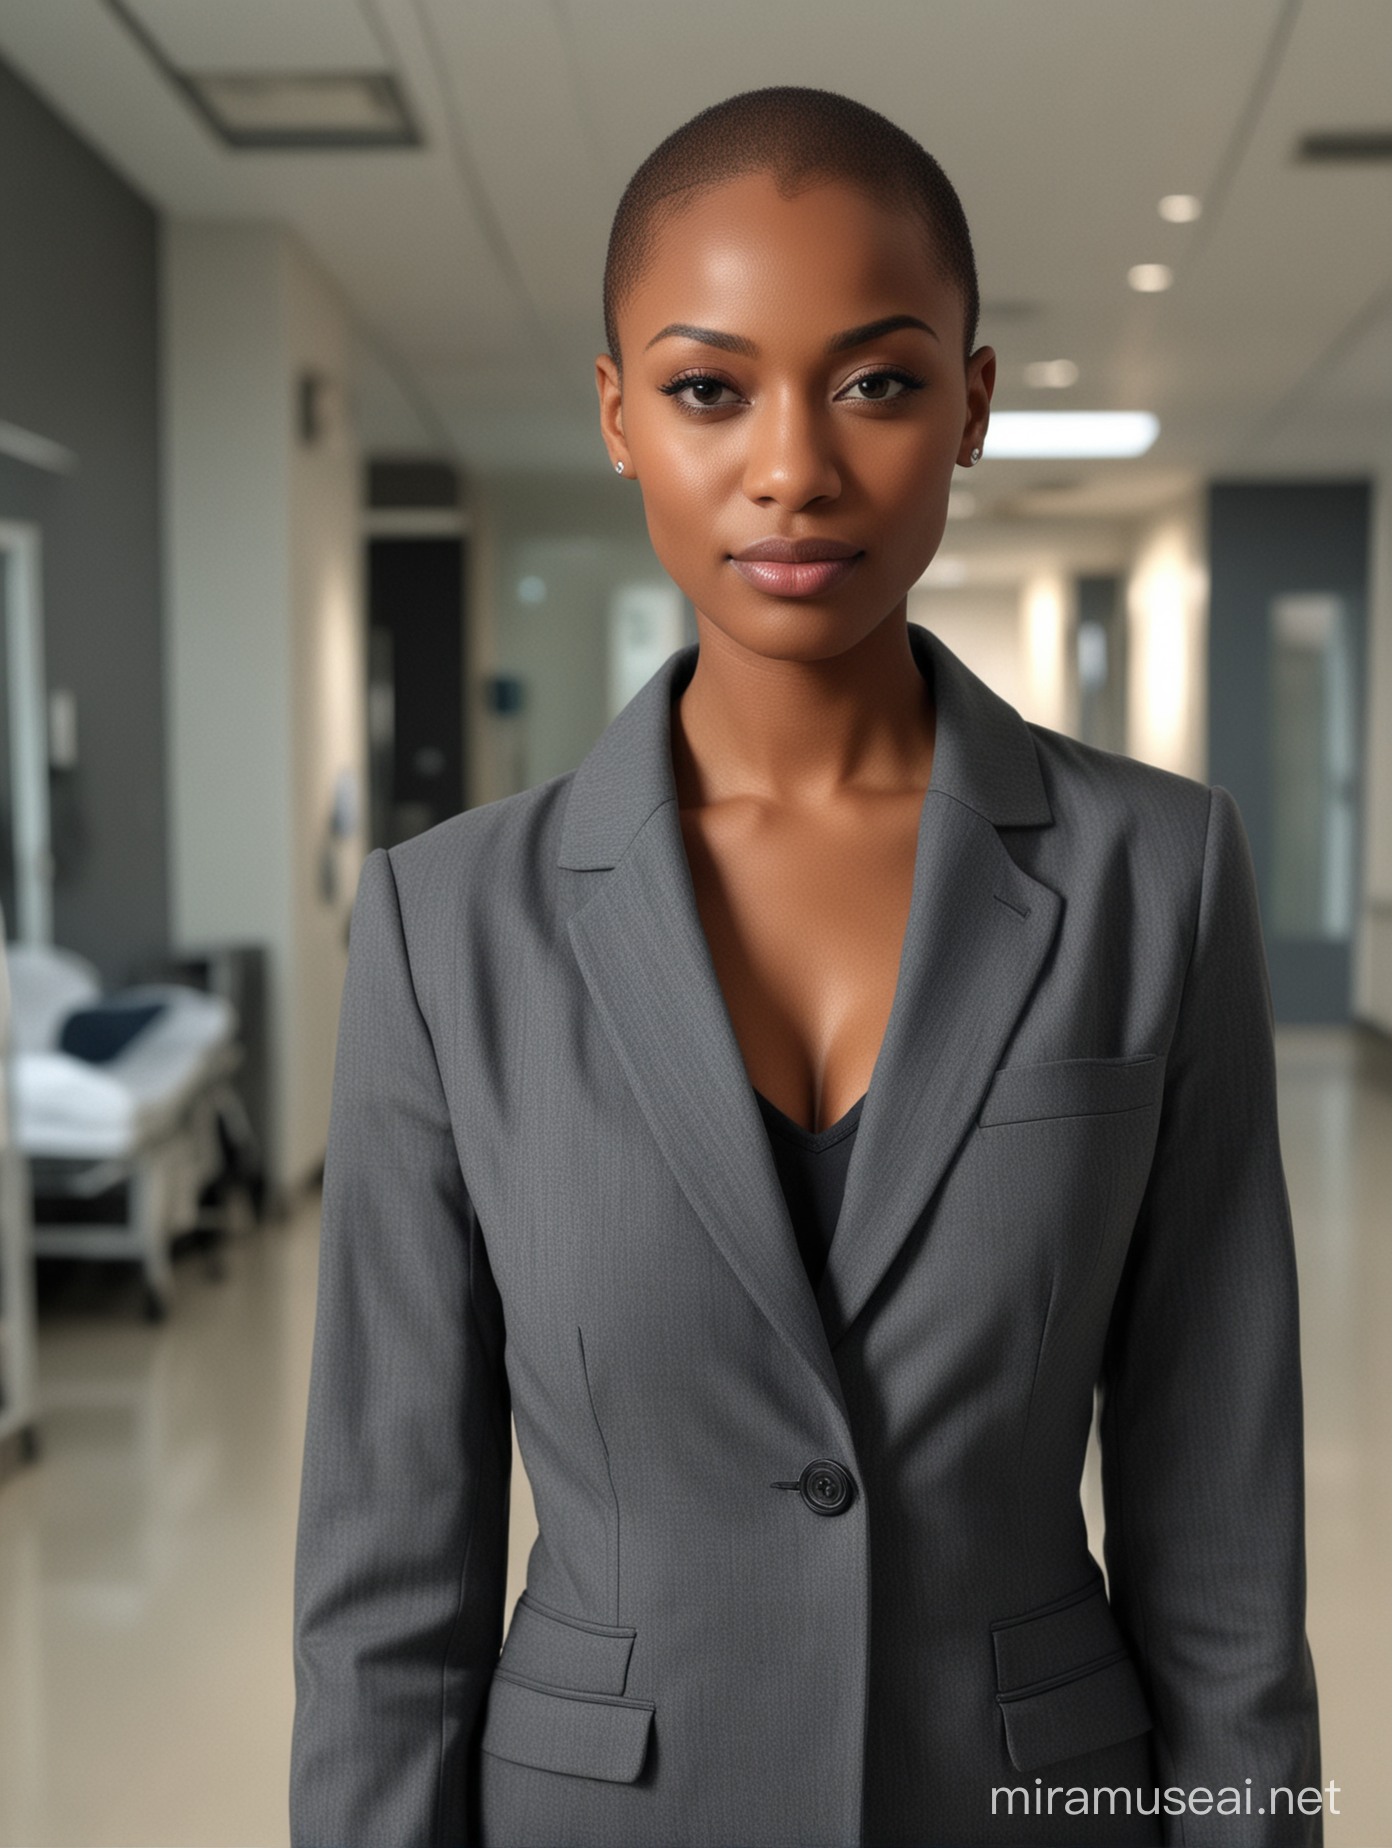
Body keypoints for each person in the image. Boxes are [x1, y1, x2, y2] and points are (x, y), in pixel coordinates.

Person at [290, 88, 1320, 1847]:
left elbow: (1223, 1551)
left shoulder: (1164, 877)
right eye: (708, 389)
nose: (793, 467)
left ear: (973, 404)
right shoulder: (444, 923)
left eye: (878, 381)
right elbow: (390, 1602)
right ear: (617, 415)